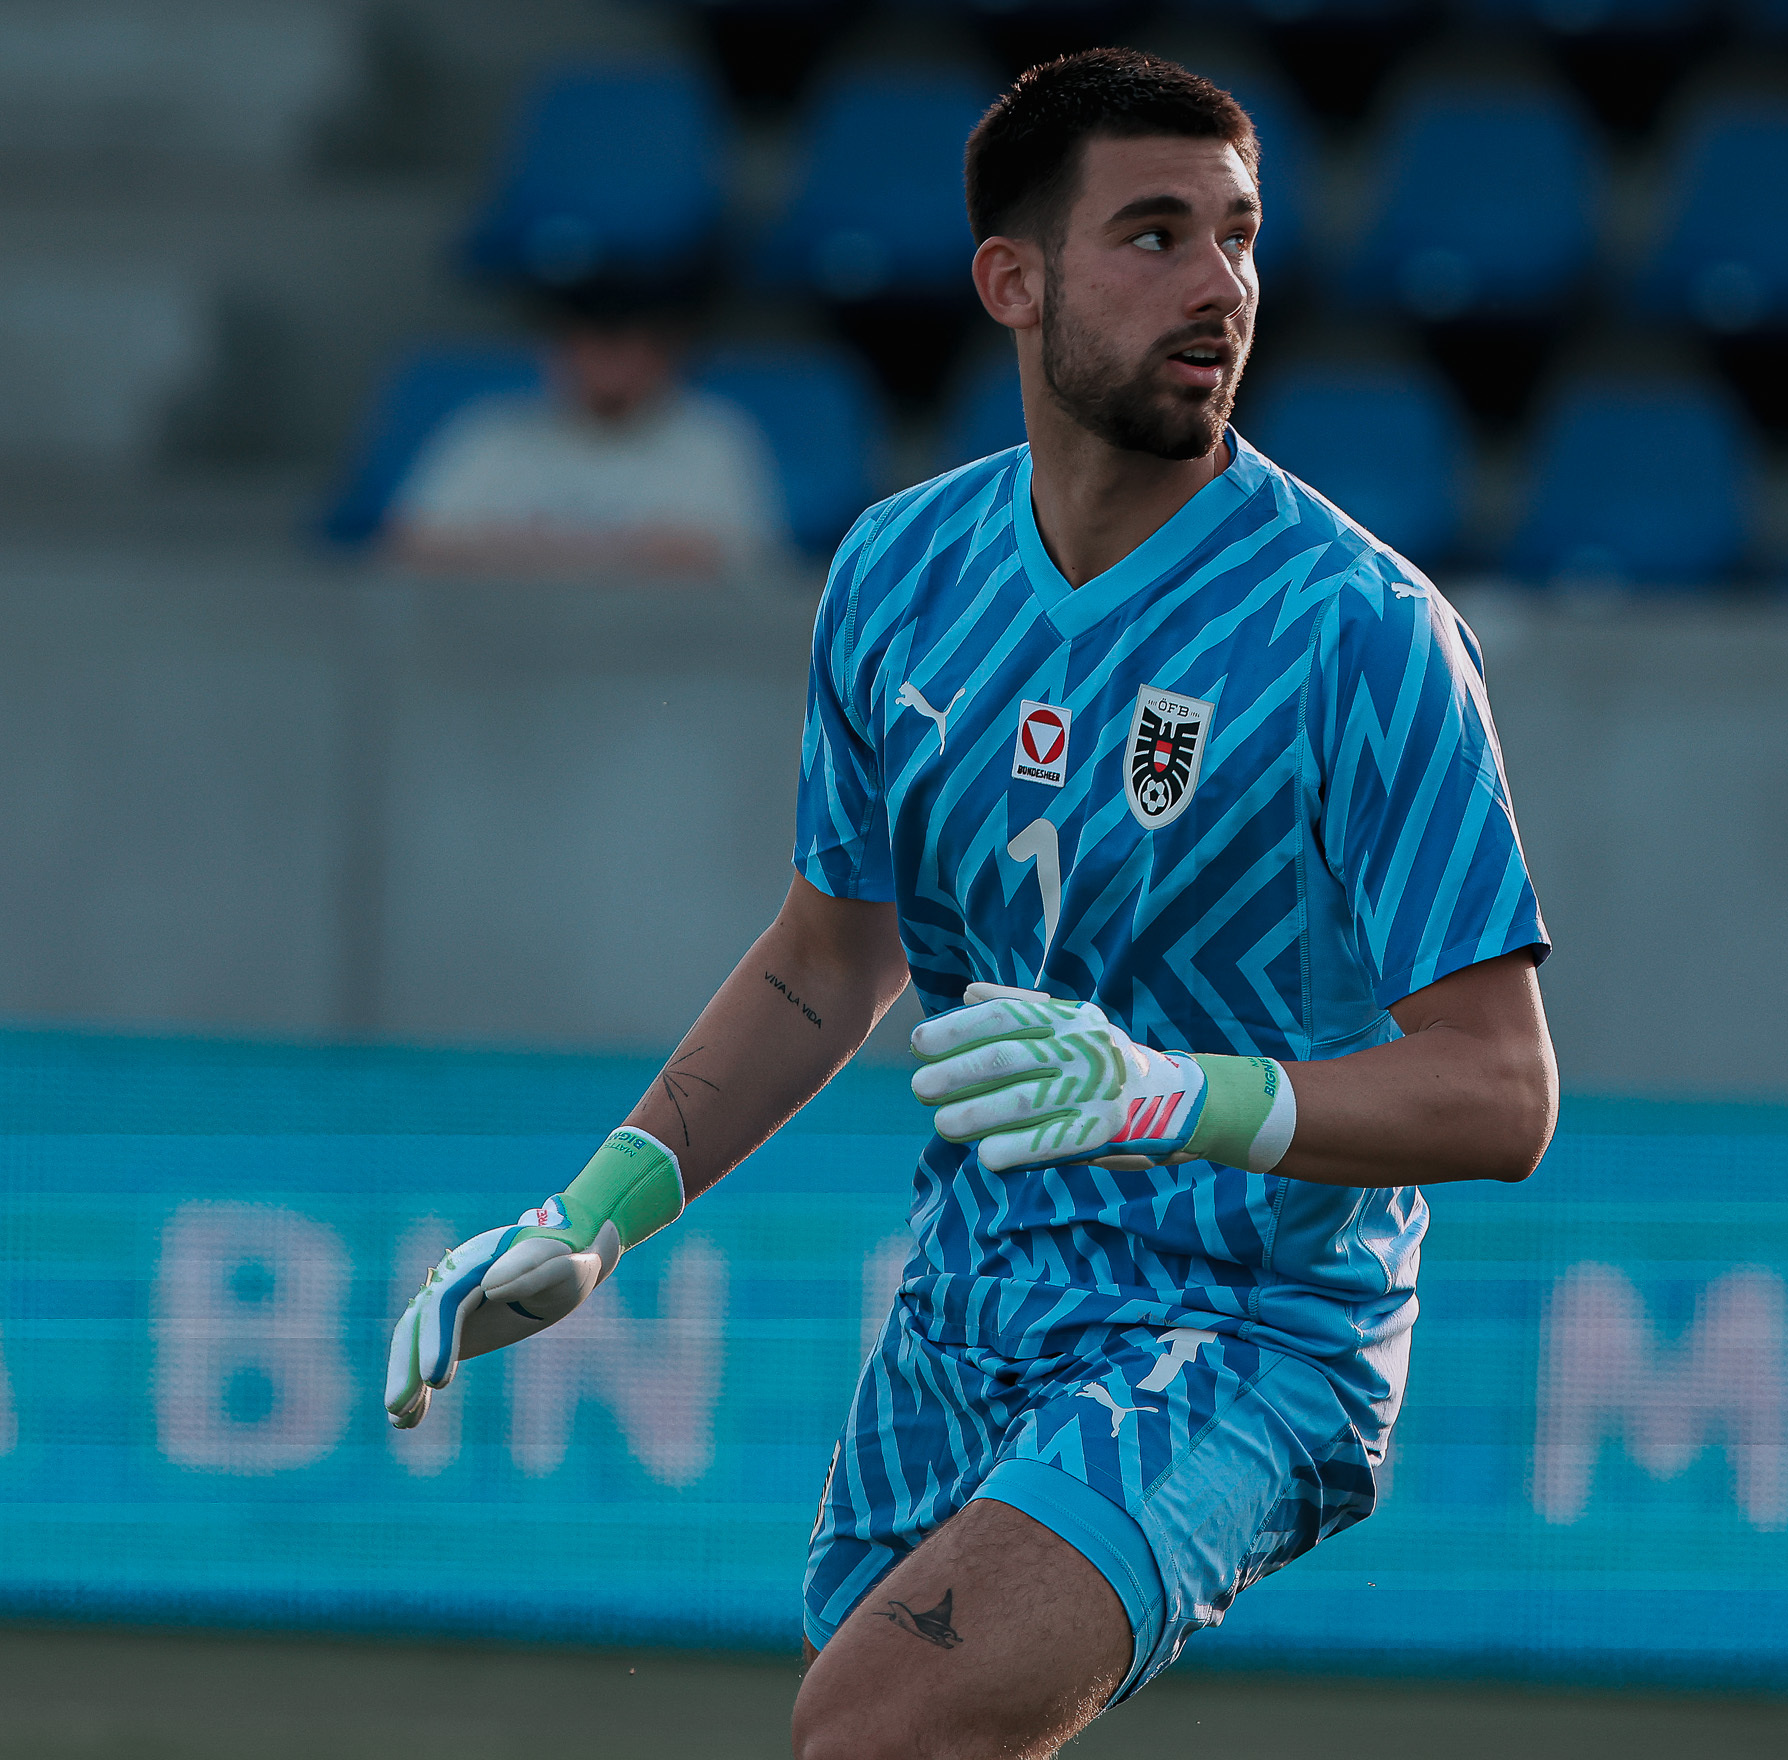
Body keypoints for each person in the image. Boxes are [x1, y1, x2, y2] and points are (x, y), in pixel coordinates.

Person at [385, 49, 1556, 1759]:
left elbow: (1501, 1092)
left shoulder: (1360, 631)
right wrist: (601, 1212)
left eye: (1236, 236)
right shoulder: (895, 574)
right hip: (969, 1297)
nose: (1217, 285)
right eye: (1150, 235)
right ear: (1010, 281)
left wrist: (1177, 1096)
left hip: (1243, 1329)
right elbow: (829, 954)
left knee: (879, 1726)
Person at [384, 293, 788, 583]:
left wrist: (524, 550)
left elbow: (729, 564)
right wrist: (624, 553)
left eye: (623, 350)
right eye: (589, 348)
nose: (605, 369)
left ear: (662, 358)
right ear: (557, 355)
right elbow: (409, 548)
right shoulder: (494, 431)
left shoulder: (712, 438)